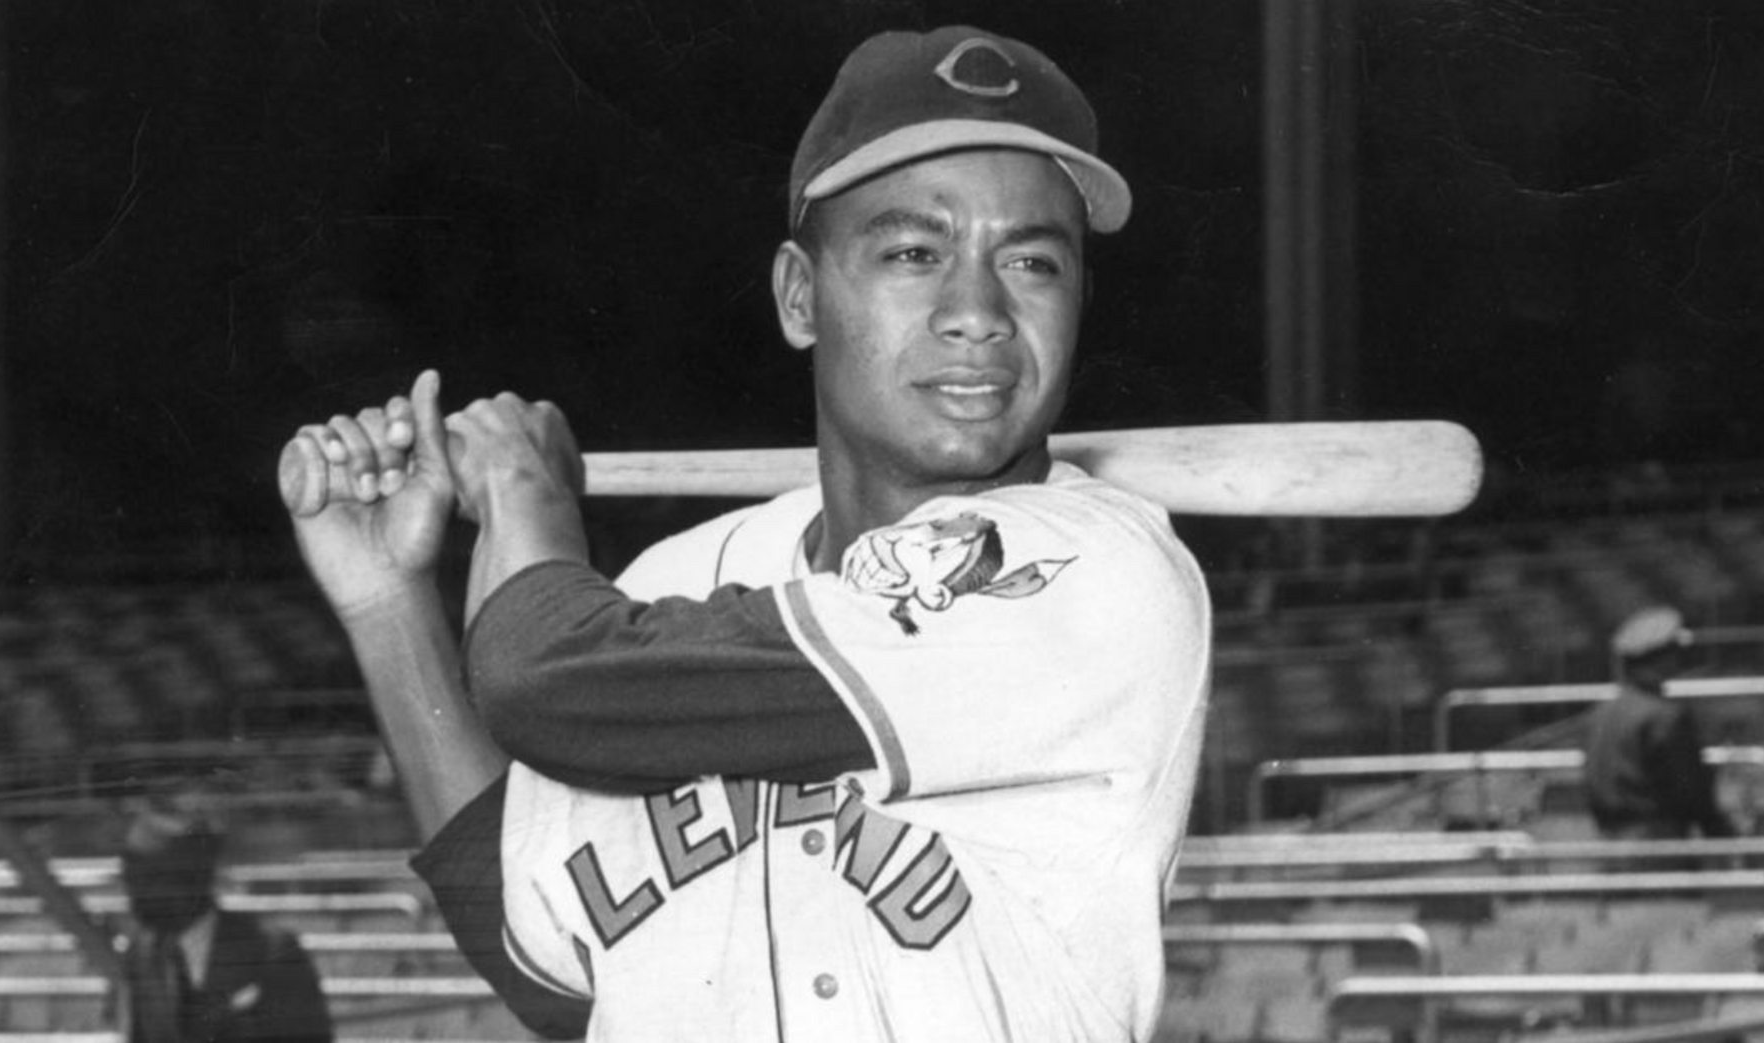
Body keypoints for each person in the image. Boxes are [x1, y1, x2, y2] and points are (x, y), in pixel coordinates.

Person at [282, 24, 1210, 1043]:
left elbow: (539, 673)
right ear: (800, 296)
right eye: (913, 251)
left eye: (1031, 261)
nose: (976, 311)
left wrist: (527, 503)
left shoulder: (1091, 571)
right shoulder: (675, 582)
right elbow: (537, 952)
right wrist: (386, 604)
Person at [113, 794, 333, 1043]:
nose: (133, 896)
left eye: (148, 880)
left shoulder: (273, 952)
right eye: (131, 880)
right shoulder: (142, 956)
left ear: (193, 879)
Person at [1582, 604, 1739, 842]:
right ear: (1665, 658)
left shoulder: (1601, 713)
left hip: (1609, 842)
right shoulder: (1665, 716)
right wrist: (1722, 833)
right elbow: (1690, 790)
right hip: (1658, 844)